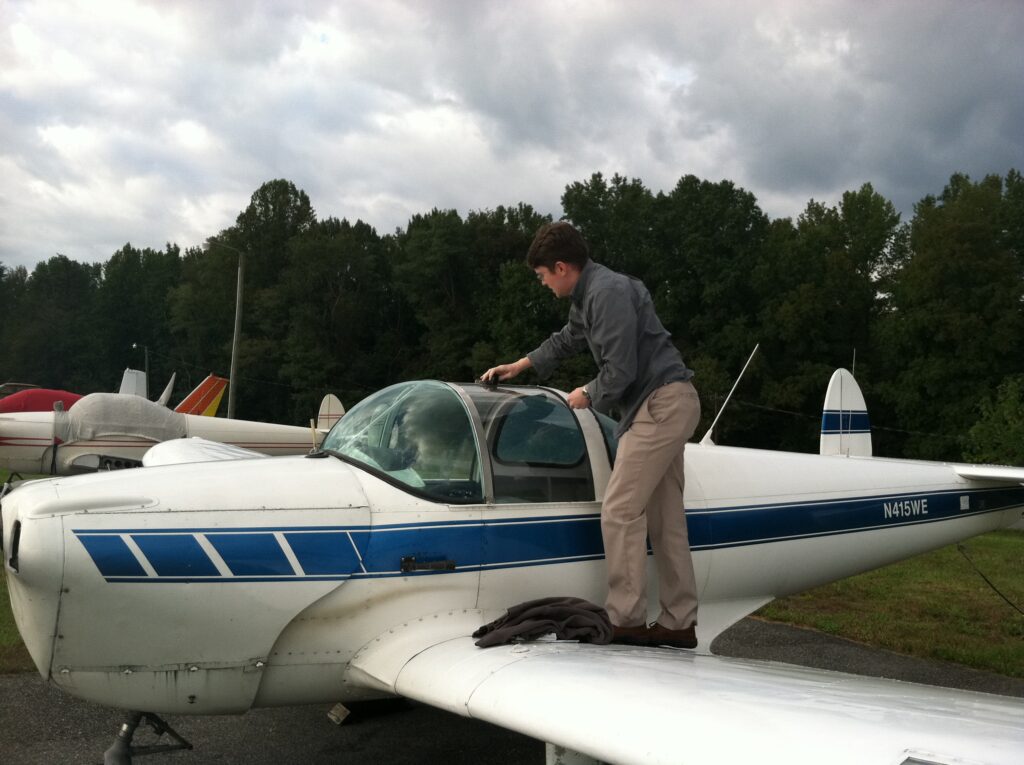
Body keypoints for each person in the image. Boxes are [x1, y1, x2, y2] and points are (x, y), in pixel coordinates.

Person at [480, 222, 702, 649]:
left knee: (619, 510)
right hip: (667, 402)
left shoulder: (608, 293)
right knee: (665, 520)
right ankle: (679, 623)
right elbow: (568, 340)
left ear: (561, 267)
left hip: (658, 406)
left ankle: (626, 620)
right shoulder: (591, 294)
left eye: (542, 275)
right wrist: (520, 366)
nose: (543, 283)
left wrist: (587, 393)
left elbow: (621, 371)